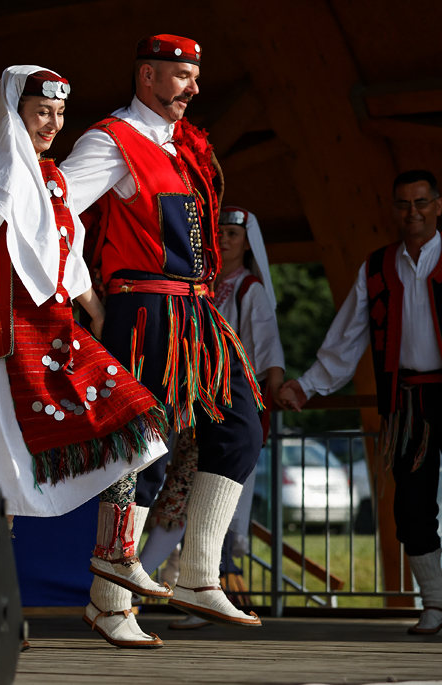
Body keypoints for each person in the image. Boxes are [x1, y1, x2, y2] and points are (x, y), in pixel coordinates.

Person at [0, 66, 171, 649]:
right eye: (42, 111)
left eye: (60, 114)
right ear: (16, 111)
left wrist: (92, 306)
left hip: (52, 336)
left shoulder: (49, 178)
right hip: (5, 345)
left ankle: (115, 558)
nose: (53, 124)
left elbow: (61, 253)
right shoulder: (4, 167)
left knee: (136, 427)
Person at [60, 34, 265, 629]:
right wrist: (86, 294)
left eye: (196, 76)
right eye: (182, 76)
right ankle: (112, 599)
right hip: (144, 308)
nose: (194, 88)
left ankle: (199, 575)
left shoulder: (183, 145)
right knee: (142, 449)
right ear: (147, 76)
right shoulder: (110, 139)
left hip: (195, 310)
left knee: (242, 425)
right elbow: (55, 209)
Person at [278, 169, 442, 635]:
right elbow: (346, 340)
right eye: (403, 204)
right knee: (413, 508)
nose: (412, 212)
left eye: (421, 202)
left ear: (439, 205)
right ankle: (435, 603)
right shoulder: (375, 267)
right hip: (406, 403)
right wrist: (308, 385)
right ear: (394, 209)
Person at [141, 206, 285, 630]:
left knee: (190, 497)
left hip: (226, 406)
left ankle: (142, 588)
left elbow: (267, 347)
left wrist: (274, 393)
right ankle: (168, 590)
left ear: (247, 242)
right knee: (182, 496)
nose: (223, 240)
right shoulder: (199, 285)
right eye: (218, 232)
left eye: (233, 234)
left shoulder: (249, 290)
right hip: (194, 406)